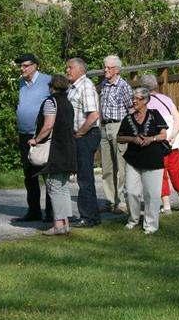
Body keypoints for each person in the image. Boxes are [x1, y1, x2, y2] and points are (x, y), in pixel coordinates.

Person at [27, 74, 77, 236]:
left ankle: (57, 225)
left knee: (54, 187)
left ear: (51, 87)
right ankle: (65, 223)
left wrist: (36, 139)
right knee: (62, 188)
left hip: (55, 150)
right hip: (68, 149)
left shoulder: (51, 102)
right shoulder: (68, 103)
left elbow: (48, 125)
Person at [117, 86, 169, 235]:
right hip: (133, 159)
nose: (134, 101)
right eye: (133, 98)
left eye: (137, 99)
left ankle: (150, 224)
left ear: (146, 100)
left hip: (153, 159)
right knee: (131, 192)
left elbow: (163, 135)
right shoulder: (128, 118)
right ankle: (133, 219)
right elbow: (119, 137)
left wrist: (151, 139)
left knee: (151, 194)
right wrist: (133, 138)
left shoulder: (154, 115)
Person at [140, 73, 179, 213]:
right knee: (177, 172)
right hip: (173, 143)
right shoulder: (166, 99)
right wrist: (173, 135)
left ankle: (166, 206)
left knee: (161, 175)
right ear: (156, 85)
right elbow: (178, 118)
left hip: (158, 145)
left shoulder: (144, 104)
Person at [14, 53, 53, 223]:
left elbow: (55, 105)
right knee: (29, 175)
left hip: (42, 135)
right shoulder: (22, 83)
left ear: (35, 65)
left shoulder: (47, 81)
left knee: (47, 173)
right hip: (24, 134)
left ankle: (51, 213)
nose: (22, 69)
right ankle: (34, 211)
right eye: (21, 66)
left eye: (25, 65)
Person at [66, 57, 101, 228]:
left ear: (80, 69)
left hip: (86, 135)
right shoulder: (73, 87)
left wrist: (79, 133)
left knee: (85, 177)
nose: (67, 71)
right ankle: (89, 214)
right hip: (79, 135)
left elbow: (93, 115)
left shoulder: (85, 85)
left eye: (70, 67)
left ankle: (89, 217)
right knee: (82, 175)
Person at [98, 54, 132, 214]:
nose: (105, 70)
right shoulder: (103, 84)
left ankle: (122, 202)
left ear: (117, 70)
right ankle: (111, 200)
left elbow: (131, 108)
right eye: (104, 67)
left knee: (121, 166)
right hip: (104, 127)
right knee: (107, 167)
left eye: (108, 68)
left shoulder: (123, 86)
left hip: (119, 126)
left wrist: (129, 129)